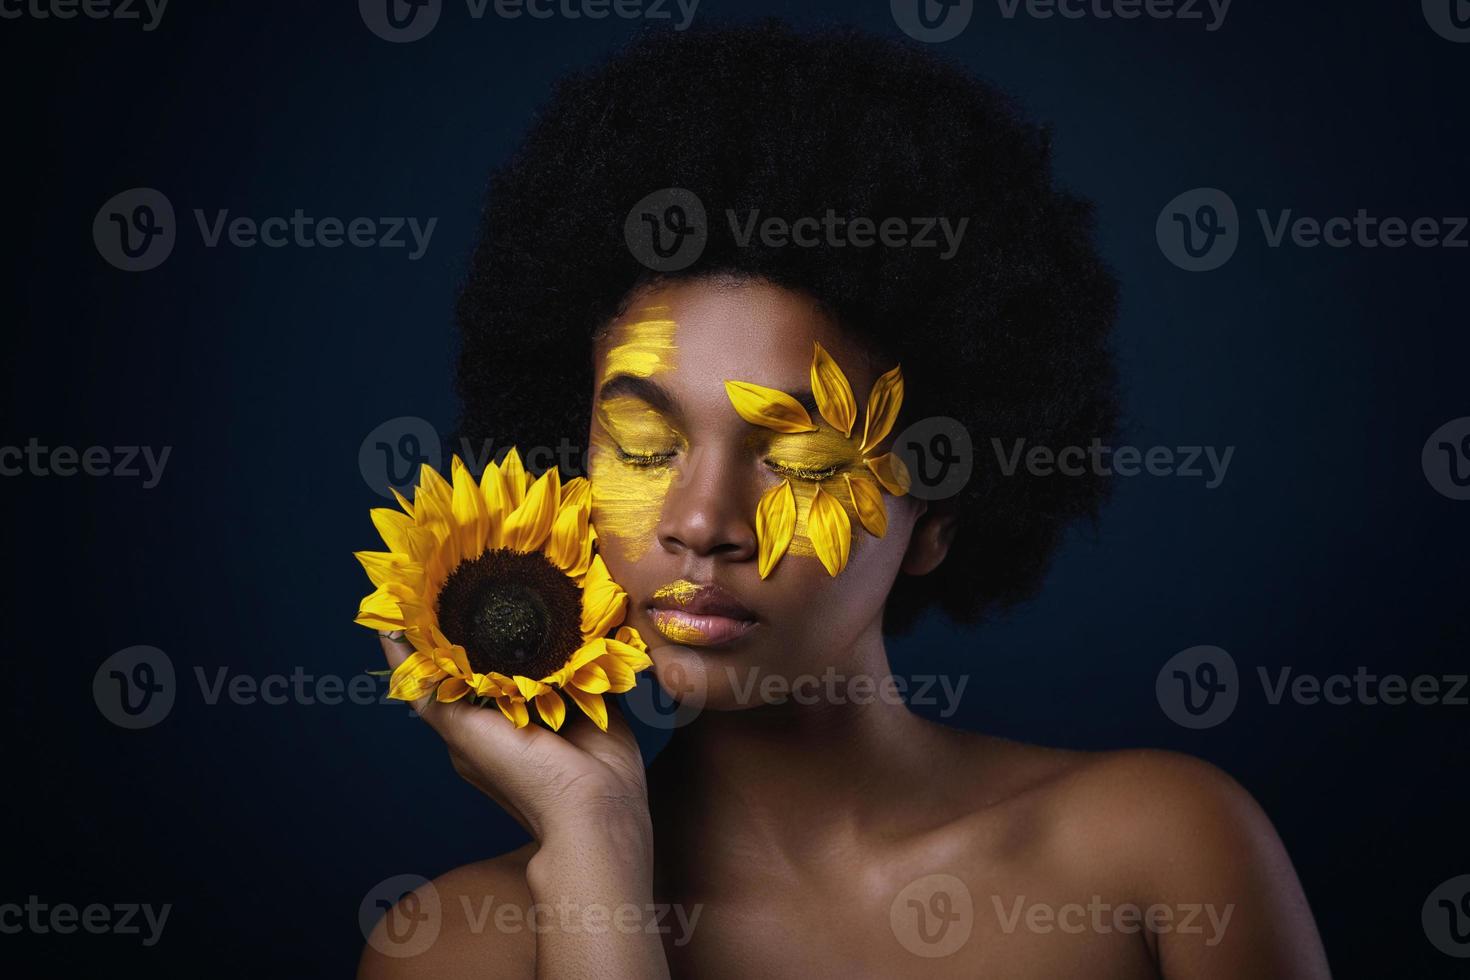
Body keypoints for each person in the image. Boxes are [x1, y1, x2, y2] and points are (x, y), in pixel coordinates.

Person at [360, 21, 1330, 978]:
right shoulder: (457, 945)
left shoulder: (1160, 853)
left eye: (802, 458)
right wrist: (593, 843)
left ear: (939, 513)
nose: (701, 522)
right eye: (647, 446)